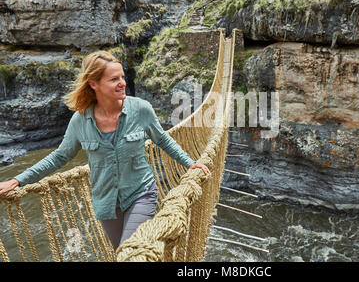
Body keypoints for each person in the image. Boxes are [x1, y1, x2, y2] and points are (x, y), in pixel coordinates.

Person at [0, 51, 210, 249]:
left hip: (141, 192)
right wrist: (18, 179)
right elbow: (59, 157)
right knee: (120, 252)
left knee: (131, 250)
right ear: (93, 84)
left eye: (122, 77)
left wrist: (190, 163)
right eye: (114, 79)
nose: (122, 83)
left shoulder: (141, 109)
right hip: (106, 203)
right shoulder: (80, 121)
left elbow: (163, 140)